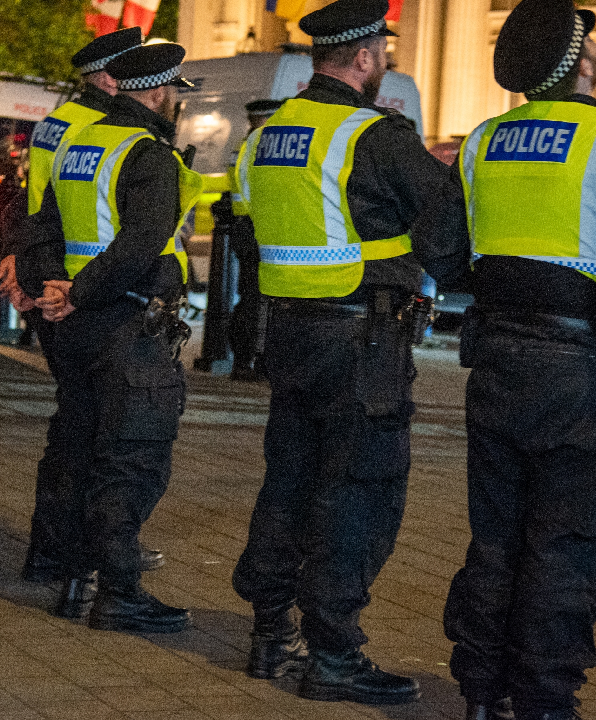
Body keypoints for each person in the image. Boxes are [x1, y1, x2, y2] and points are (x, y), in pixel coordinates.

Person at [229, 0, 464, 704]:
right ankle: (333, 655)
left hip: (288, 334)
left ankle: (271, 633)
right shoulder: (374, 135)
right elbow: (445, 225)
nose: (383, 61)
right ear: (363, 59)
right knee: (357, 493)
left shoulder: (268, 136)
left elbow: (246, 234)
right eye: (380, 52)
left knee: (289, 482)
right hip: (360, 342)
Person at [416, 2, 596, 718]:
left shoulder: (483, 140)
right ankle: (545, 700)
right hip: (578, 367)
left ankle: (480, 691)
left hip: (494, 358)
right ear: (581, 62)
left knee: (494, 535)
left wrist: (496, 281)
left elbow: (439, 250)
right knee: (563, 539)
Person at [18, 42, 199, 633]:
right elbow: (141, 244)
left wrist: (49, 283)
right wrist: (82, 290)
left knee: (78, 446)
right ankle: (119, 592)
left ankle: (75, 575)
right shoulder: (150, 155)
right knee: (131, 459)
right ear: (158, 92)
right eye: (173, 93)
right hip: (122, 323)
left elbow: (41, 223)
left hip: (75, 327)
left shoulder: (79, 143)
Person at [0, 27, 157, 585]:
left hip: (55, 280)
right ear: (113, 77)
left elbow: (34, 200)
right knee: (108, 438)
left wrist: (20, 259)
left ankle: (53, 552)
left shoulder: (58, 123)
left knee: (71, 428)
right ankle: (94, 555)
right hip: (90, 294)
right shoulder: (107, 130)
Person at [224, 99, 283, 381]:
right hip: (258, 227)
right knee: (258, 300)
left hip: (245, 227)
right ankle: (251, 360)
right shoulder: (262, 142)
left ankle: (243, 360)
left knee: (249, 297)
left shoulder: (245, 144)